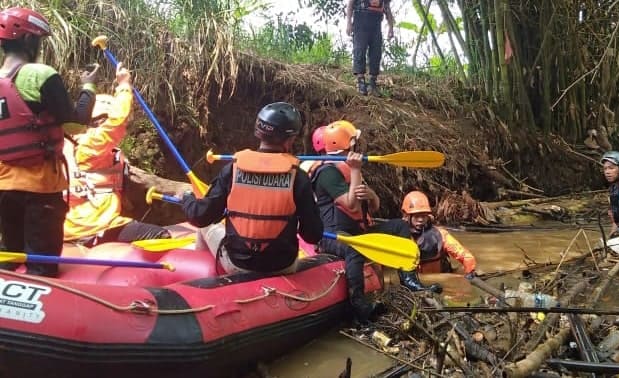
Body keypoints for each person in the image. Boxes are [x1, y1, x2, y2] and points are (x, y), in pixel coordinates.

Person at [0, 7, 97, 277]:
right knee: (42, 268)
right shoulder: (40, 75)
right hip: (40, 190)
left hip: (4, 188)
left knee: (7, 259)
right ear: (30, 41)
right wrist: (88, 86)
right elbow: (76, 123)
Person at [310, 120, 436, 325]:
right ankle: (360, 307)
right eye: (353, 142)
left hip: (359, 229)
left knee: (401, 226)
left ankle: (410, 280)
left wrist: (371, 194)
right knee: (354, 248)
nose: (357, 145)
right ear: (347, 145)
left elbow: (374, 207)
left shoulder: (347, 167)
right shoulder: (328, 173)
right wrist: (356, 169)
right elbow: (350, 205)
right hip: (333, 235)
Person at [180, 102, 323, 275]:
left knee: (204, 228)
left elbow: (200, 217)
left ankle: (205, 280)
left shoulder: (232, 170)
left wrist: (186, 197)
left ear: (258, 132)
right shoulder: (298, 177)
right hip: (283, 266)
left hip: (237, 265)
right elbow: (312, 235)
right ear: (290, 139)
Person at [63, 63, 170, 246]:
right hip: (96, 226)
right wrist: (124, 86)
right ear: (99, 120)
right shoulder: (90, 145)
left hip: (78, 225)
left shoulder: (73, 144)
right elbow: (117, 122)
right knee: (161, 236)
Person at [401, 191, 477, 279]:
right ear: (406, 216)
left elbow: (466, 257)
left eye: (424, 216)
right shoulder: (399, 237)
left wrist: (469, 273)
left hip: (440, 281)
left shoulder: (440, 234)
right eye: (416, 216)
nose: (421, 220)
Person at [346, 0, 395, 96]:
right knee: (359, 50)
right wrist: (348, 23)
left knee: (376, 53)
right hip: (360, 20)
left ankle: (372, 84)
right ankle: (361, 82)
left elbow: (387, 8)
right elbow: (350, 4)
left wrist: (391, 27)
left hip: (376, 23)